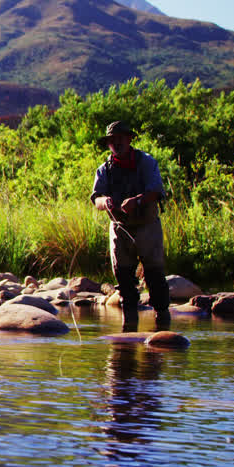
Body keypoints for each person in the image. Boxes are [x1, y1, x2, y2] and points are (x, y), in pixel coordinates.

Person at [90, 121, 170, 330]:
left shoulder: (147, 162)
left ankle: (162, 327)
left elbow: (156, 192)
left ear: (129, 139)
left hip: (147, 226)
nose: (116, 143)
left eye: (120, 139)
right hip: (119, 228)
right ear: (108, 144)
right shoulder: (104, 169)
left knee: (155, 278)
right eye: (112, 140)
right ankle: (129, 330)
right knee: (124, 282)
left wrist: (138, 200)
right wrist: (104, 202)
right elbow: (96, 199)